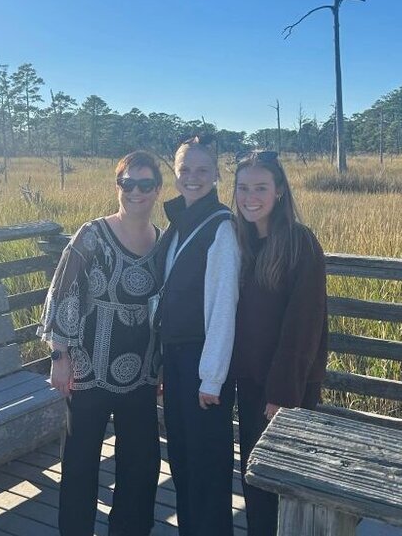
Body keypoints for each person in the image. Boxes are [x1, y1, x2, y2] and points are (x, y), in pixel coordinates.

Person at [39, 151, 163, 536]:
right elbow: (65, 291)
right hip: (88, 368)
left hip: (141, 372)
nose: (136, 192)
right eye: (128, 183)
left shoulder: (162, 241)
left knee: (140, 465)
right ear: (118, 186)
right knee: (80, 464)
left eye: (145, 184)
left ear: (157, 189)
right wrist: (60, 355)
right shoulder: (92, 234)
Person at [231, 150, 328, 536]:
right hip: (249, 382)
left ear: (280, 191)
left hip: (287, 388)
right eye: (242, 188)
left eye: (260, 187)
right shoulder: (240, 241)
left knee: (285, 482)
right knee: (254, 478)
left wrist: (281, 396)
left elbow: (303, 327)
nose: (250, 197)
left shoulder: (299, 244)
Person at [154, 136, 241, 536]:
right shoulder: (177, 226)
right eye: (185, 169)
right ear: (175, 172)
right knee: (184, 460)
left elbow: (223, 308)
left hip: (203, 363)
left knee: (208, 464)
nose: (193, 178)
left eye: (202, 170)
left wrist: (211, 377)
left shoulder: (221, 228)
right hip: (175, 359)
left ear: (217, 175)